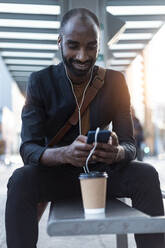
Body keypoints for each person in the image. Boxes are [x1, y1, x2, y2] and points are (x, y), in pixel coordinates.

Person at [5, 8, 164, 248]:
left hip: (103, 174)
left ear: (99, 45)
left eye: (91, 46)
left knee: (146, 174)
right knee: (20, 180)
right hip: (57, 175)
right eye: (73, 45)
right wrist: (63, 154)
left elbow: (130, 144)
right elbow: (28, 148)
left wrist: (117, 152)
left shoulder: (116, 82)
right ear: (60, 42)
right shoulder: (39, 81)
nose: (82, 56)